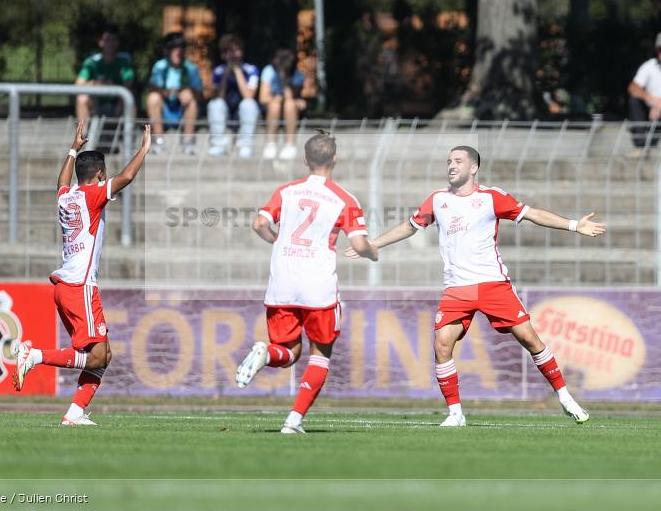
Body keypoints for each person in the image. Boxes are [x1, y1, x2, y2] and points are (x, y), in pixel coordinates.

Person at [346, 146, 604, 426]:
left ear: (473, 168)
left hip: (493, 284)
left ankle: (565, 397)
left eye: (458, 161)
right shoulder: (438, 199)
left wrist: (573, 225)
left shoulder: (491, 197)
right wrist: (373, 244)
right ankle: (455, 414)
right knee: (441, 345)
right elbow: (409, 226)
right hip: (457, 289)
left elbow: (533, 214)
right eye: (449, 161)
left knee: (530, 340)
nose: (451, 166)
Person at [235, 131, 378, 433]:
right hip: (317, 286)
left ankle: (265, 353)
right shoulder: (344, 198)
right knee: (320, 353)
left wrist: (276, 239)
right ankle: (294, 420)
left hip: (282, 281)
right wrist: (372, 253)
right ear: (335, 159)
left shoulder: (287, 191)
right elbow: (360, 243)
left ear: (305, 159)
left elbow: (259, 223)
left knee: (288, 352)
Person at [11, 121, 152, 425]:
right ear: (100, 175)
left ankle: (75, 413)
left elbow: (61, 181)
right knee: (99, 356)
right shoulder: (91, 196)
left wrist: (74, 148)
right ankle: (34, 356)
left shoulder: (67, 197)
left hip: (65, 285)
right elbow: (127, 176)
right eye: (104, 175)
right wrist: (144, 149)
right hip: (80, 287)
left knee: (104, 355)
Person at [147, 32, 204, 155]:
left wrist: (190, 91)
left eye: (182, 47)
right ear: (166, 50)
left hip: (182, 110)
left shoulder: (191, 68)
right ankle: (159, 141)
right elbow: (152, 88)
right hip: (165, 109)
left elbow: (200, 95)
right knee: (153, 98)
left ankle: (188, 142)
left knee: (192, 100)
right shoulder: (160, 66)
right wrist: (167, 92)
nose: (179, 51)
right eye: (174, 47)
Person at [74, 25, 135, 137]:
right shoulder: (92, 62)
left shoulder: (124, 61)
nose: (110, 43)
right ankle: (82, 137)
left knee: (129, 95)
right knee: (82, 98)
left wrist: (112, 87)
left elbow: (128, 84)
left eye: (114, 39)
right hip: (96, 103)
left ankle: (129, 137)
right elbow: (79, 84)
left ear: (118, 42)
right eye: (107, 39)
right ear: (100, 42)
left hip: (117, 103)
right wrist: (97, 84)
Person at [208, 34, 260, 158]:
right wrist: (226, 73)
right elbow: (218, 95)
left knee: (249, 104)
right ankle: (218, 144)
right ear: (223, 55)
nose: (233, 55)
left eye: (236, 50)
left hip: (243, 112)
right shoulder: (218, 72)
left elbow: (248, 95)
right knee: (215, 104)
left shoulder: (251, 70)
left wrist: (237, 71)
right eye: (229, 51)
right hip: (226, 112)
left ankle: (246, 145)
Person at [260, 48, 306, 160]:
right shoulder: (269, 71)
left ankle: (290, 145)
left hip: (290, 110)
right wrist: (278, 98)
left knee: (289, 104)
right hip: (272, 109)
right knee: (275, 103)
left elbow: (290, 97)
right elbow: (263, 98)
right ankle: (270, 144)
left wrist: (284, 78)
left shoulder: (298, 75)